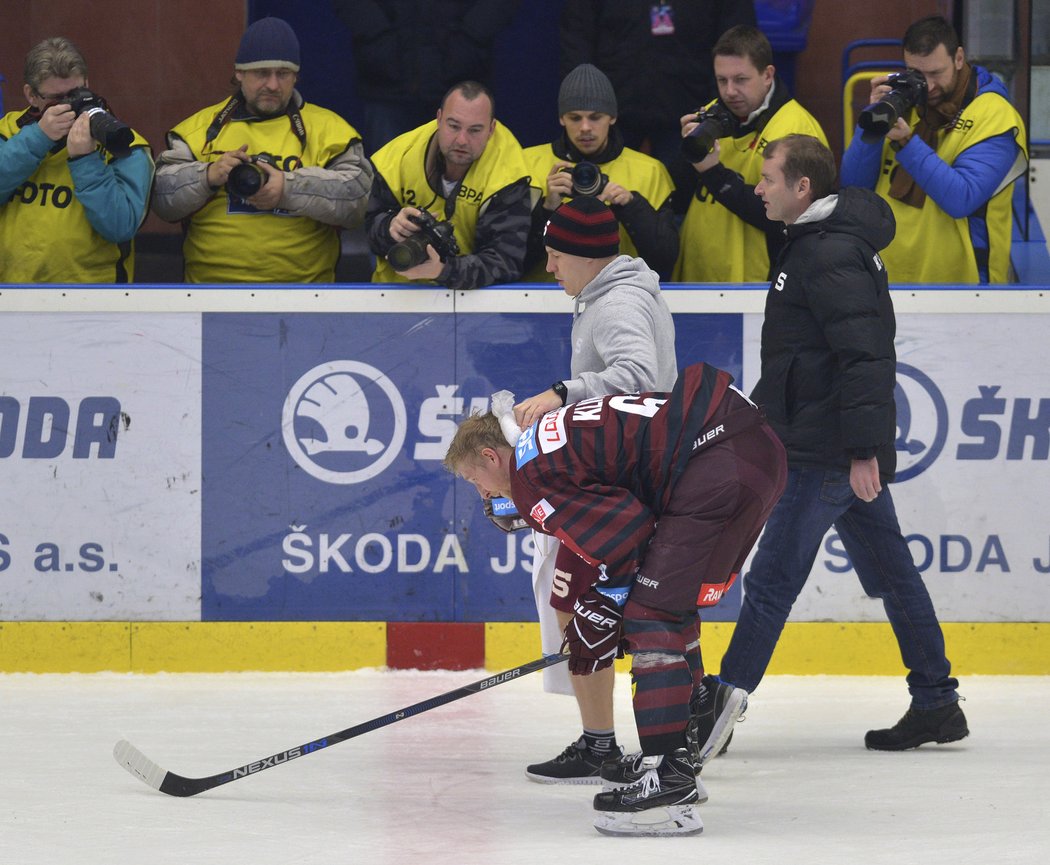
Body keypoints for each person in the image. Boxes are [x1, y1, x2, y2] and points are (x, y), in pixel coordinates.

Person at [699, 133, 969, 758]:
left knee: (770, 581)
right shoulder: (814, 245)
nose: (759, 187)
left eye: (768, 179)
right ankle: (935, 700)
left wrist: (864, 450)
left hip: (826, 452)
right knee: (894, 573)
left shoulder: (828, 255)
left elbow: (865, 357)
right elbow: (809, 356)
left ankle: (714, 717)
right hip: (827, 441)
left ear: (803, 188)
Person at [444, 363, 787, 836]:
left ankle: (668, 783)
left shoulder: (530, 472)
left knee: (652, 613)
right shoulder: (546, 438)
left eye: (472, 480)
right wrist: (606, 602)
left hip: (722, 456)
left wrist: (604, 603)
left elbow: (627, 531)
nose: (481, 493)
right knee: (665, 603)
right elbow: (633, 527)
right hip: (751, 449)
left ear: (490, 456)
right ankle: (688, 738)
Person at [507, 196, 677, 784]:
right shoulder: (609, 294)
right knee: (633, 612)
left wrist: (562, 391)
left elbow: (639, 380)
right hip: (632, 478)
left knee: (578, 604)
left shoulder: (616, 302)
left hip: (621, 488)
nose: (549, 266)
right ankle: (660, 733)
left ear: (582, 254)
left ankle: (608, 744)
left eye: (554, 255)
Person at [152, 17, 373, 283]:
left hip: (305, 295)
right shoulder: (198, 130)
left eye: (282, 74)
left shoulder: (332, 130)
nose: (272, 85)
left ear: (296, 77)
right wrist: (208, 175)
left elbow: (358, 201)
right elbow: (161, 199)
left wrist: (288, 187)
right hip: (210, 294)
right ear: (239, 73)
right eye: (261, 73)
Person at [840, 15, 1027, 284]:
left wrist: (906, 143)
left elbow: (962, 199)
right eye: (917, 74)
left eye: (936, 74)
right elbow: (854, 186)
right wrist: (873, 121)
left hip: (965, 285)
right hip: (888, 276)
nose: (927, 86)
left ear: (959, 58)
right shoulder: (904, 102)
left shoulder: (995, 117)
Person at [559, 0, 756, 213]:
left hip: (689, 114)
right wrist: (587, 103)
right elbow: (577, 36)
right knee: (599, 201)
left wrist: (714, 108)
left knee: (681, 206)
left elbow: (737, 38)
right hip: (612, 112)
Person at [673, 24, 826, 282]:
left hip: (757, 284)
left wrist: (712, 173)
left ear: (767, 75)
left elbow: (785, 219)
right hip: (700, 275)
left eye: (741, 80)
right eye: (722, 80)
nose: (729, 91)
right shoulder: (712, 113)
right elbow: (681, 195)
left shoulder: (796, 129)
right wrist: (686, 152)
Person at [0, 37, 153, 283]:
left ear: (87, 84)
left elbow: (119, 225)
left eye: (76, 94)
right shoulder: (6, 132)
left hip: (91, 299)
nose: (69, 106)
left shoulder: (125, 145)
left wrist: (86, 159)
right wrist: (38, 137)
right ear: (31, 95)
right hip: (11, 294)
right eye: (56, 100)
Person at [365, 81, 533, 290]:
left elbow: (505, 263)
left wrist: (443, 271)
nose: (462, 140)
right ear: (438, 119)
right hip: (396, 296)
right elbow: (369, 232)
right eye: (453, 126)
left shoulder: (508, 175)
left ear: (491, 129)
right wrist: (390, 227)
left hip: (473, 305)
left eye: (475, 130)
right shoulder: (396, 159)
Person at [522, 64, 678, 281]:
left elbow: (665, 260)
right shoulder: (526, 165)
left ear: (612, 117)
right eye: (575, 118)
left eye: (595, 117)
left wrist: (632, 206)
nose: (585, 127)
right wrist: (548, 209)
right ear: (561, 118)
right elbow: (515, 258)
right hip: (541, 300)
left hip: (620, 301)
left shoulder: (650, 171)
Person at [329, 0, 521, 154]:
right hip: (388, 82)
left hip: (461, 80)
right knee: (387, 182)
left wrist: (469, 41)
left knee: (465, 184)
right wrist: (378, 39)